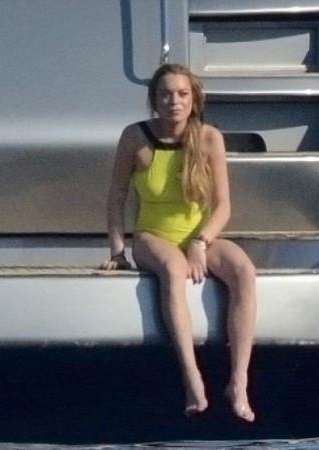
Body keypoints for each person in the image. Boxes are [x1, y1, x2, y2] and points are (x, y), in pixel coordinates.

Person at [101, 64, 257, 422]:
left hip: (199, 236)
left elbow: (223, 206)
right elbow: (116, 197)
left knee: (244, 271)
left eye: (182, 94)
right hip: (153, 236)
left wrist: (201, 241)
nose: (174, 101)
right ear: (154, 100)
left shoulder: (209, 138)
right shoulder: (135, 137)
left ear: (194, 99)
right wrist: (117, 251)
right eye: (165, 94)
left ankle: (238, 381)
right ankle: (191, 377)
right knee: (174, 270)